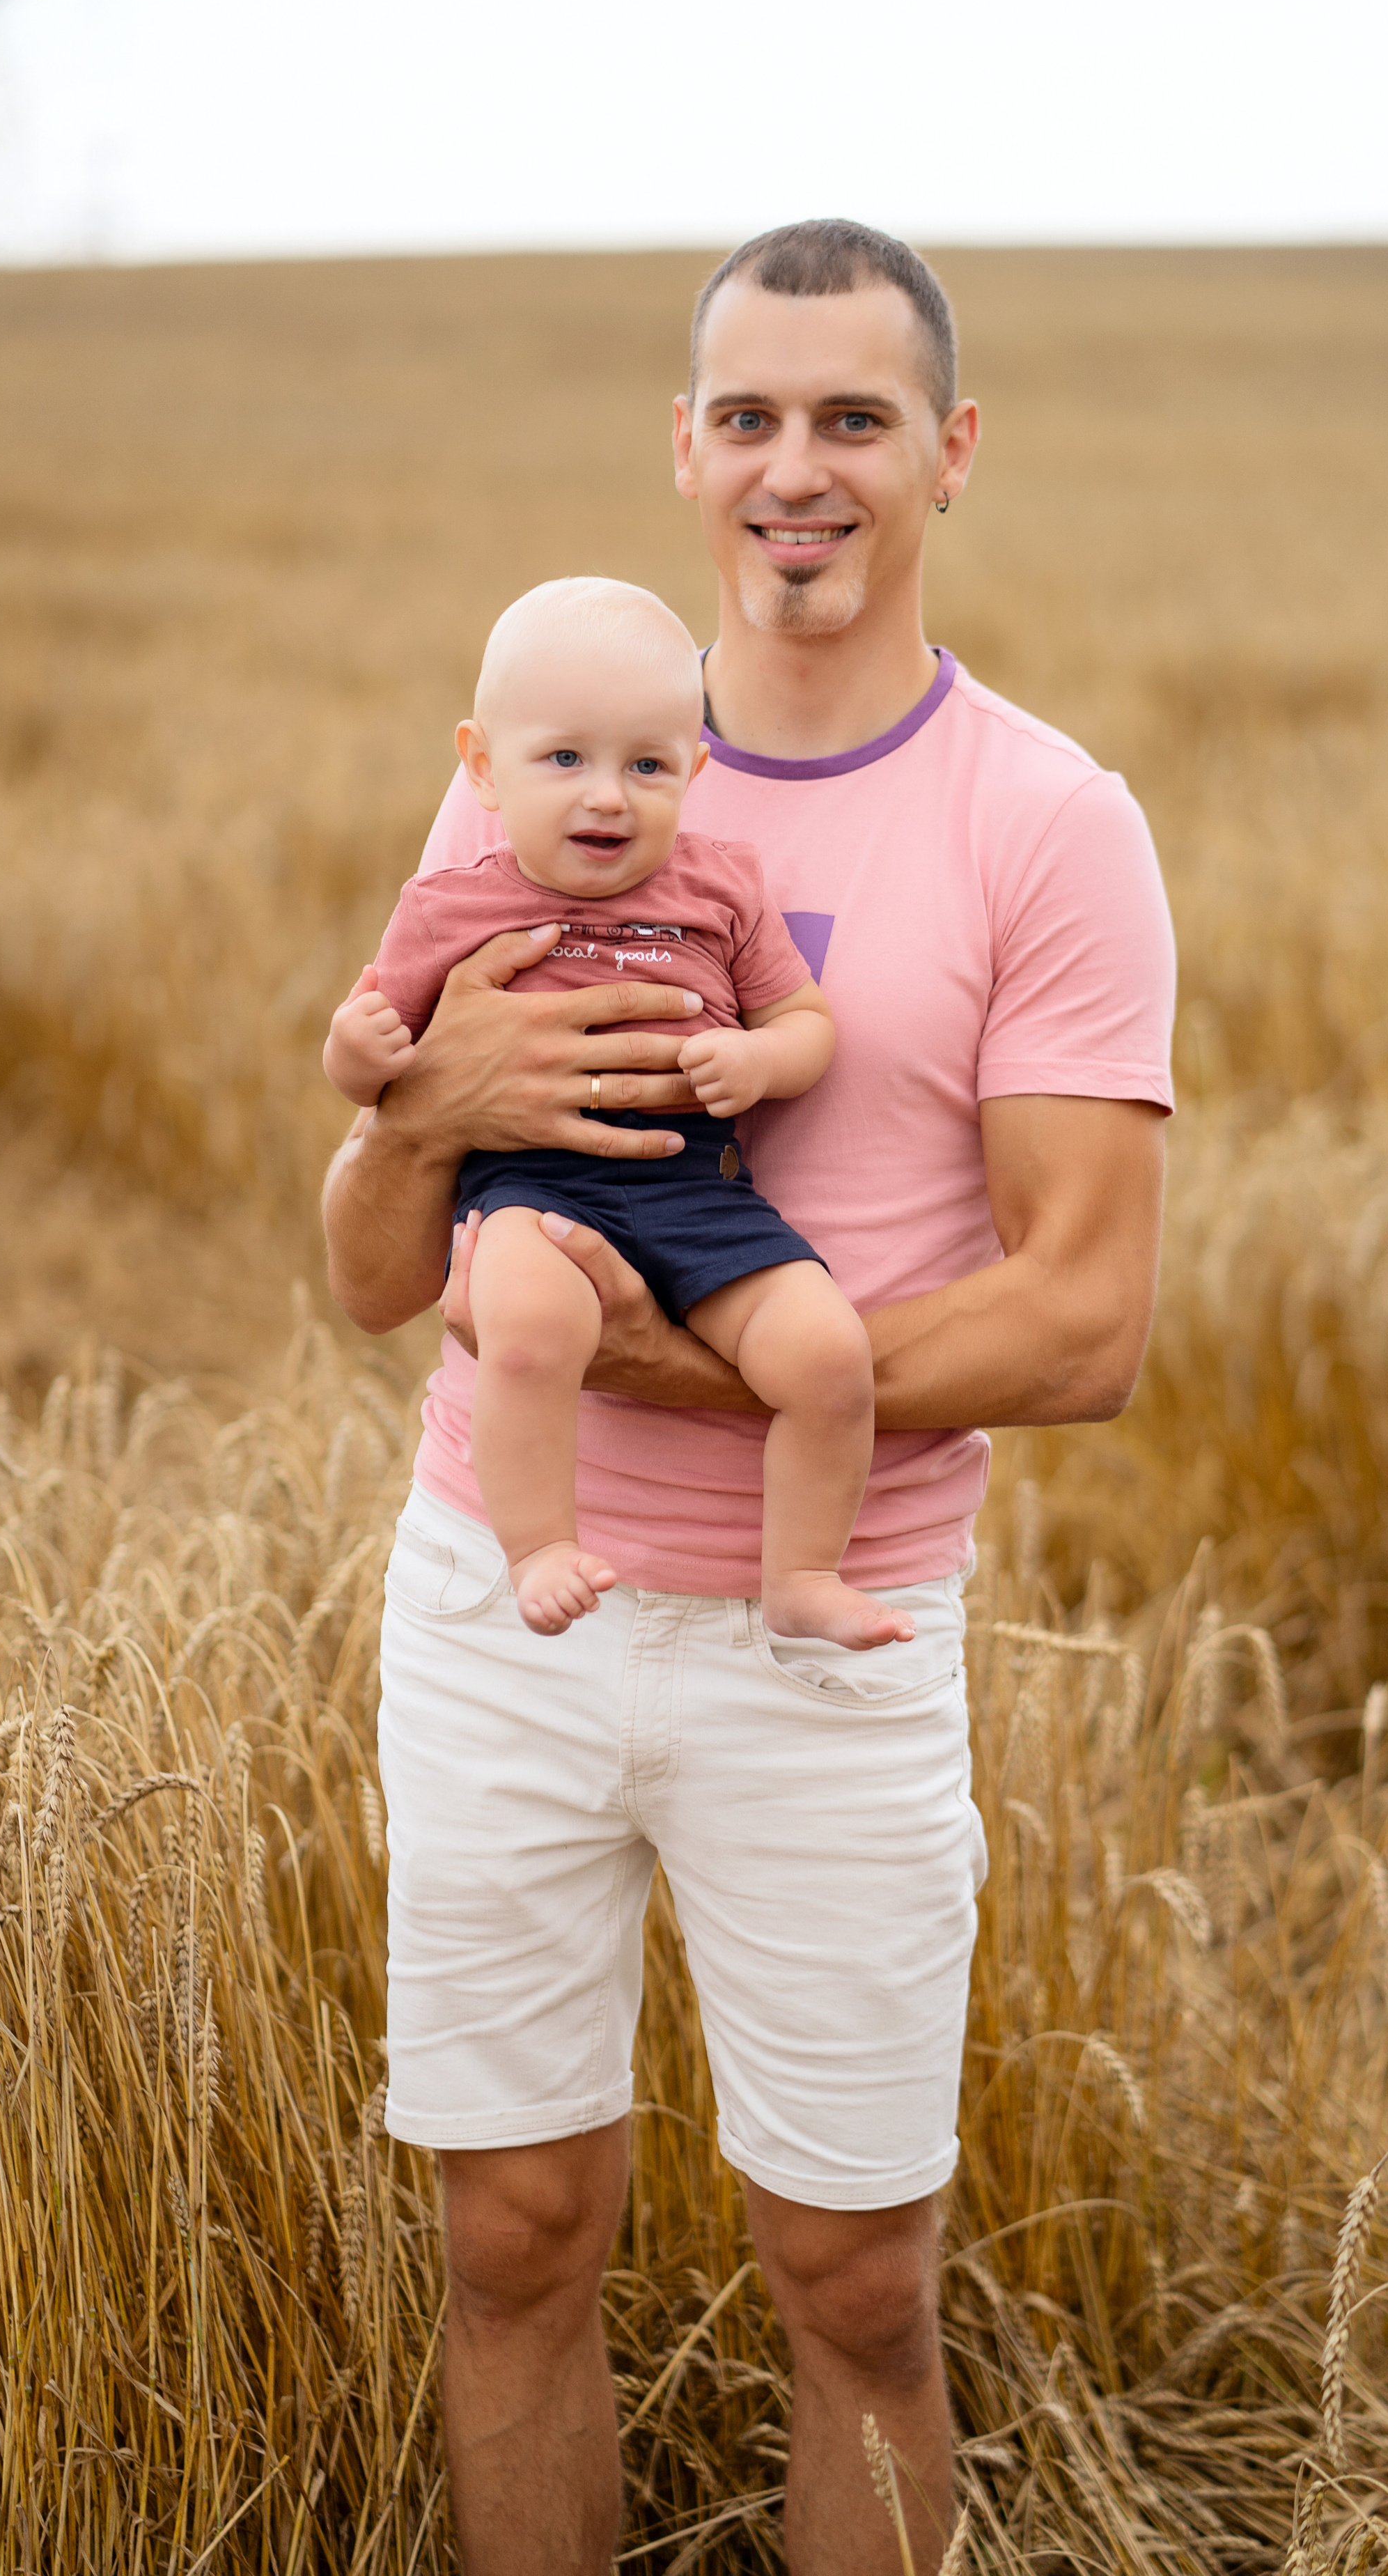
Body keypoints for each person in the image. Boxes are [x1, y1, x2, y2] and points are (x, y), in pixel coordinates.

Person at [323, 219, 1176, 2576]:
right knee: (509, 2236)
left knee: (857, 2281)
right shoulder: (539, 754)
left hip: (836, 1650)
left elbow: (1082, 1327)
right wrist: (417, 1115)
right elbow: (373, 1273)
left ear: (950, 455)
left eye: (857, 419)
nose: (798, 471)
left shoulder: (1046, 819)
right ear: (686, 449)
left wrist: (654, 1360)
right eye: (754, 418)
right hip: (503, 1620)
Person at [322, 575, 913, 1651]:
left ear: (694, 768)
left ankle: (802, 1574)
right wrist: (357, 1055)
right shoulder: (453, 906)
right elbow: (378, 1065)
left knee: (828, 1356)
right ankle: (540, 1545)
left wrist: (760, 1058)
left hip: (699, 1193)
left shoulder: (723, 889)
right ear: (483, 767)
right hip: (535, 1189)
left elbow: (807, 1021)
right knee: (534, 1331)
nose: (608, 796)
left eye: (646, 765)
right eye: (565, 760)